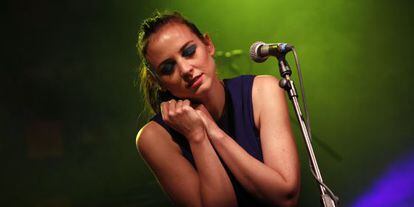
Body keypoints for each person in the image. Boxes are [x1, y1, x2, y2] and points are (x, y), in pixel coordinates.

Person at [135, 11, 300, 207]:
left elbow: (286, 197)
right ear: (158, 82)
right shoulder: (154, 138)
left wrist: (213, 131)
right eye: (168, 68)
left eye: (188, 52)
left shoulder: (262, 90)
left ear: (208, 45)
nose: (186, 69)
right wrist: (197, 136)